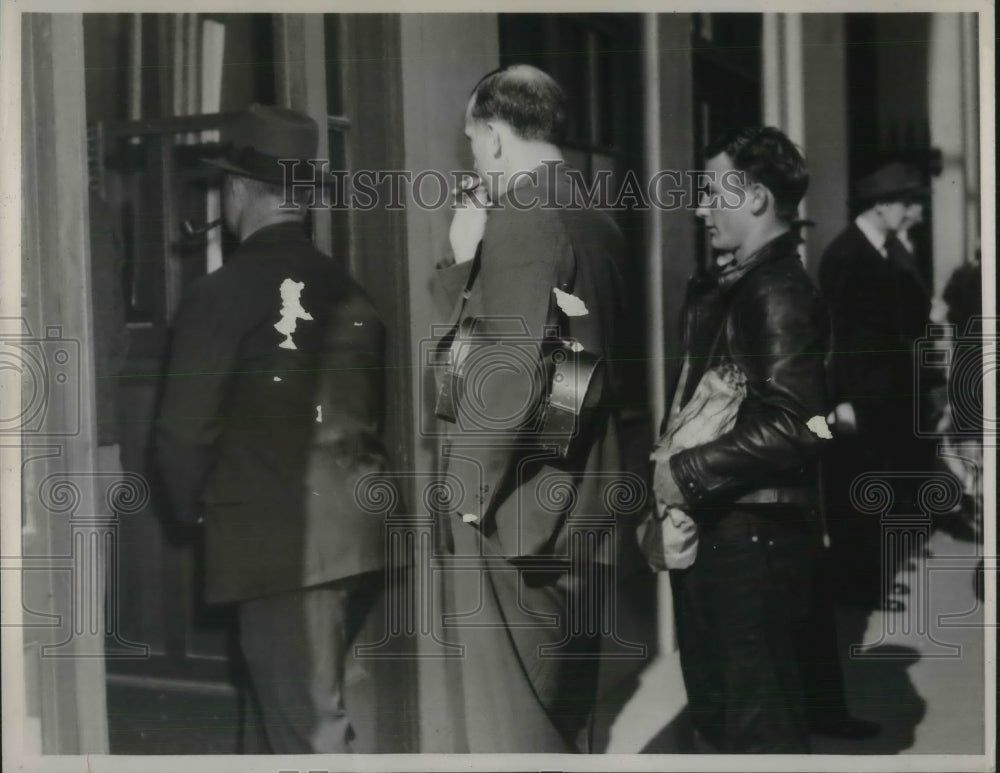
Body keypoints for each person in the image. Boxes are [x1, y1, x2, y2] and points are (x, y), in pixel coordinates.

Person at [154, 104, 387, 754]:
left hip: (279, 549)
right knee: (279, 723)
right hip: (352, 541)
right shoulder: (350, 289)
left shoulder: (221, 293)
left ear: (236, 193)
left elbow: (181, 435)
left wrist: (195, 513)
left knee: (310, 736)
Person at [429, 65, 627, 753]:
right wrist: (465, 268)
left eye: (472, 142)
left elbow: (504, 373)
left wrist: (463, 497)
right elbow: (581, 368)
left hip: (521, 514)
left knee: (513, 725)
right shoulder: (596, 215)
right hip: (583, 503)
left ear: (495, 137)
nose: (471, 158)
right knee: (565, 712)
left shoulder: (521, 215)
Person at [658, 126, 831, 752]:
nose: (701, 207)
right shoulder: (738, 284)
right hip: (730, 534)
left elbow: (799, 423)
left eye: (711, 190)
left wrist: (687, 472)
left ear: (756, 197)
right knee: (728, 720)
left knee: (758, 734)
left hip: (750, 546)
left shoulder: (778, 291)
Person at [818, 161, 930, 610]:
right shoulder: (847, 254)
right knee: (853, 493)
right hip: (856, 398)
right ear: (882, 205)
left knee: (871, 489)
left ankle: (869, 583)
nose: (911, 212)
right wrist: (840, 398)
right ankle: (855, 592)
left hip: (880, 396)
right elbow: (834, 330)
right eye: (905, 203)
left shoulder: (881, 249)